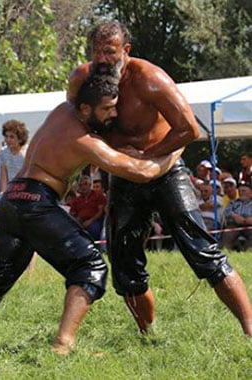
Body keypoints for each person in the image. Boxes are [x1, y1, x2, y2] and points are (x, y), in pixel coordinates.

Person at [0, 73, 183, 357]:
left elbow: (76, 83)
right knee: (90, 266)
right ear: (86, 109)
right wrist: (176, 148)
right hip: (36, 201)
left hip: (11, 201)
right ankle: (62, 346)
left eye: (115, 107)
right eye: (107, 109)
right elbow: (141, 172)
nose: (114, 114)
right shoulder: (85, 141)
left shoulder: (62, 112)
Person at [68, 21, 252, 336]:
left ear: (126, 51)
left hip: (166, 170)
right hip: (125, 176)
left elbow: (189, 129)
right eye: (96, 52)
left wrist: (147, 156)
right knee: (124, 263)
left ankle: (250, 328)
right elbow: (75, 124)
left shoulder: (149, 78)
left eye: (109, 52)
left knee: (203, 251)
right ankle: (147, 334)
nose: (101, 59)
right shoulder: (82, 81)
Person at [0, 120, 28, 193]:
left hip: (27, 190)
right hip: (11, 190)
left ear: (20, 139)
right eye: (6, 136)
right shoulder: (3, 153)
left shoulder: (28, 152)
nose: (8, 140)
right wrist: (3, 193)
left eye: (12, 137)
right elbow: (3, 175)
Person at [221, 182, 252, 250]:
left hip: (250, 226)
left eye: (244, 191)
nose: (241, 193)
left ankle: (249, 253)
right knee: (228, 234)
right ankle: (225, 253)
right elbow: (226, 213)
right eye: (239, 191)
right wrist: (234, 216)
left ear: (251, 193)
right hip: (234, 225)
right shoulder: (233, 202)